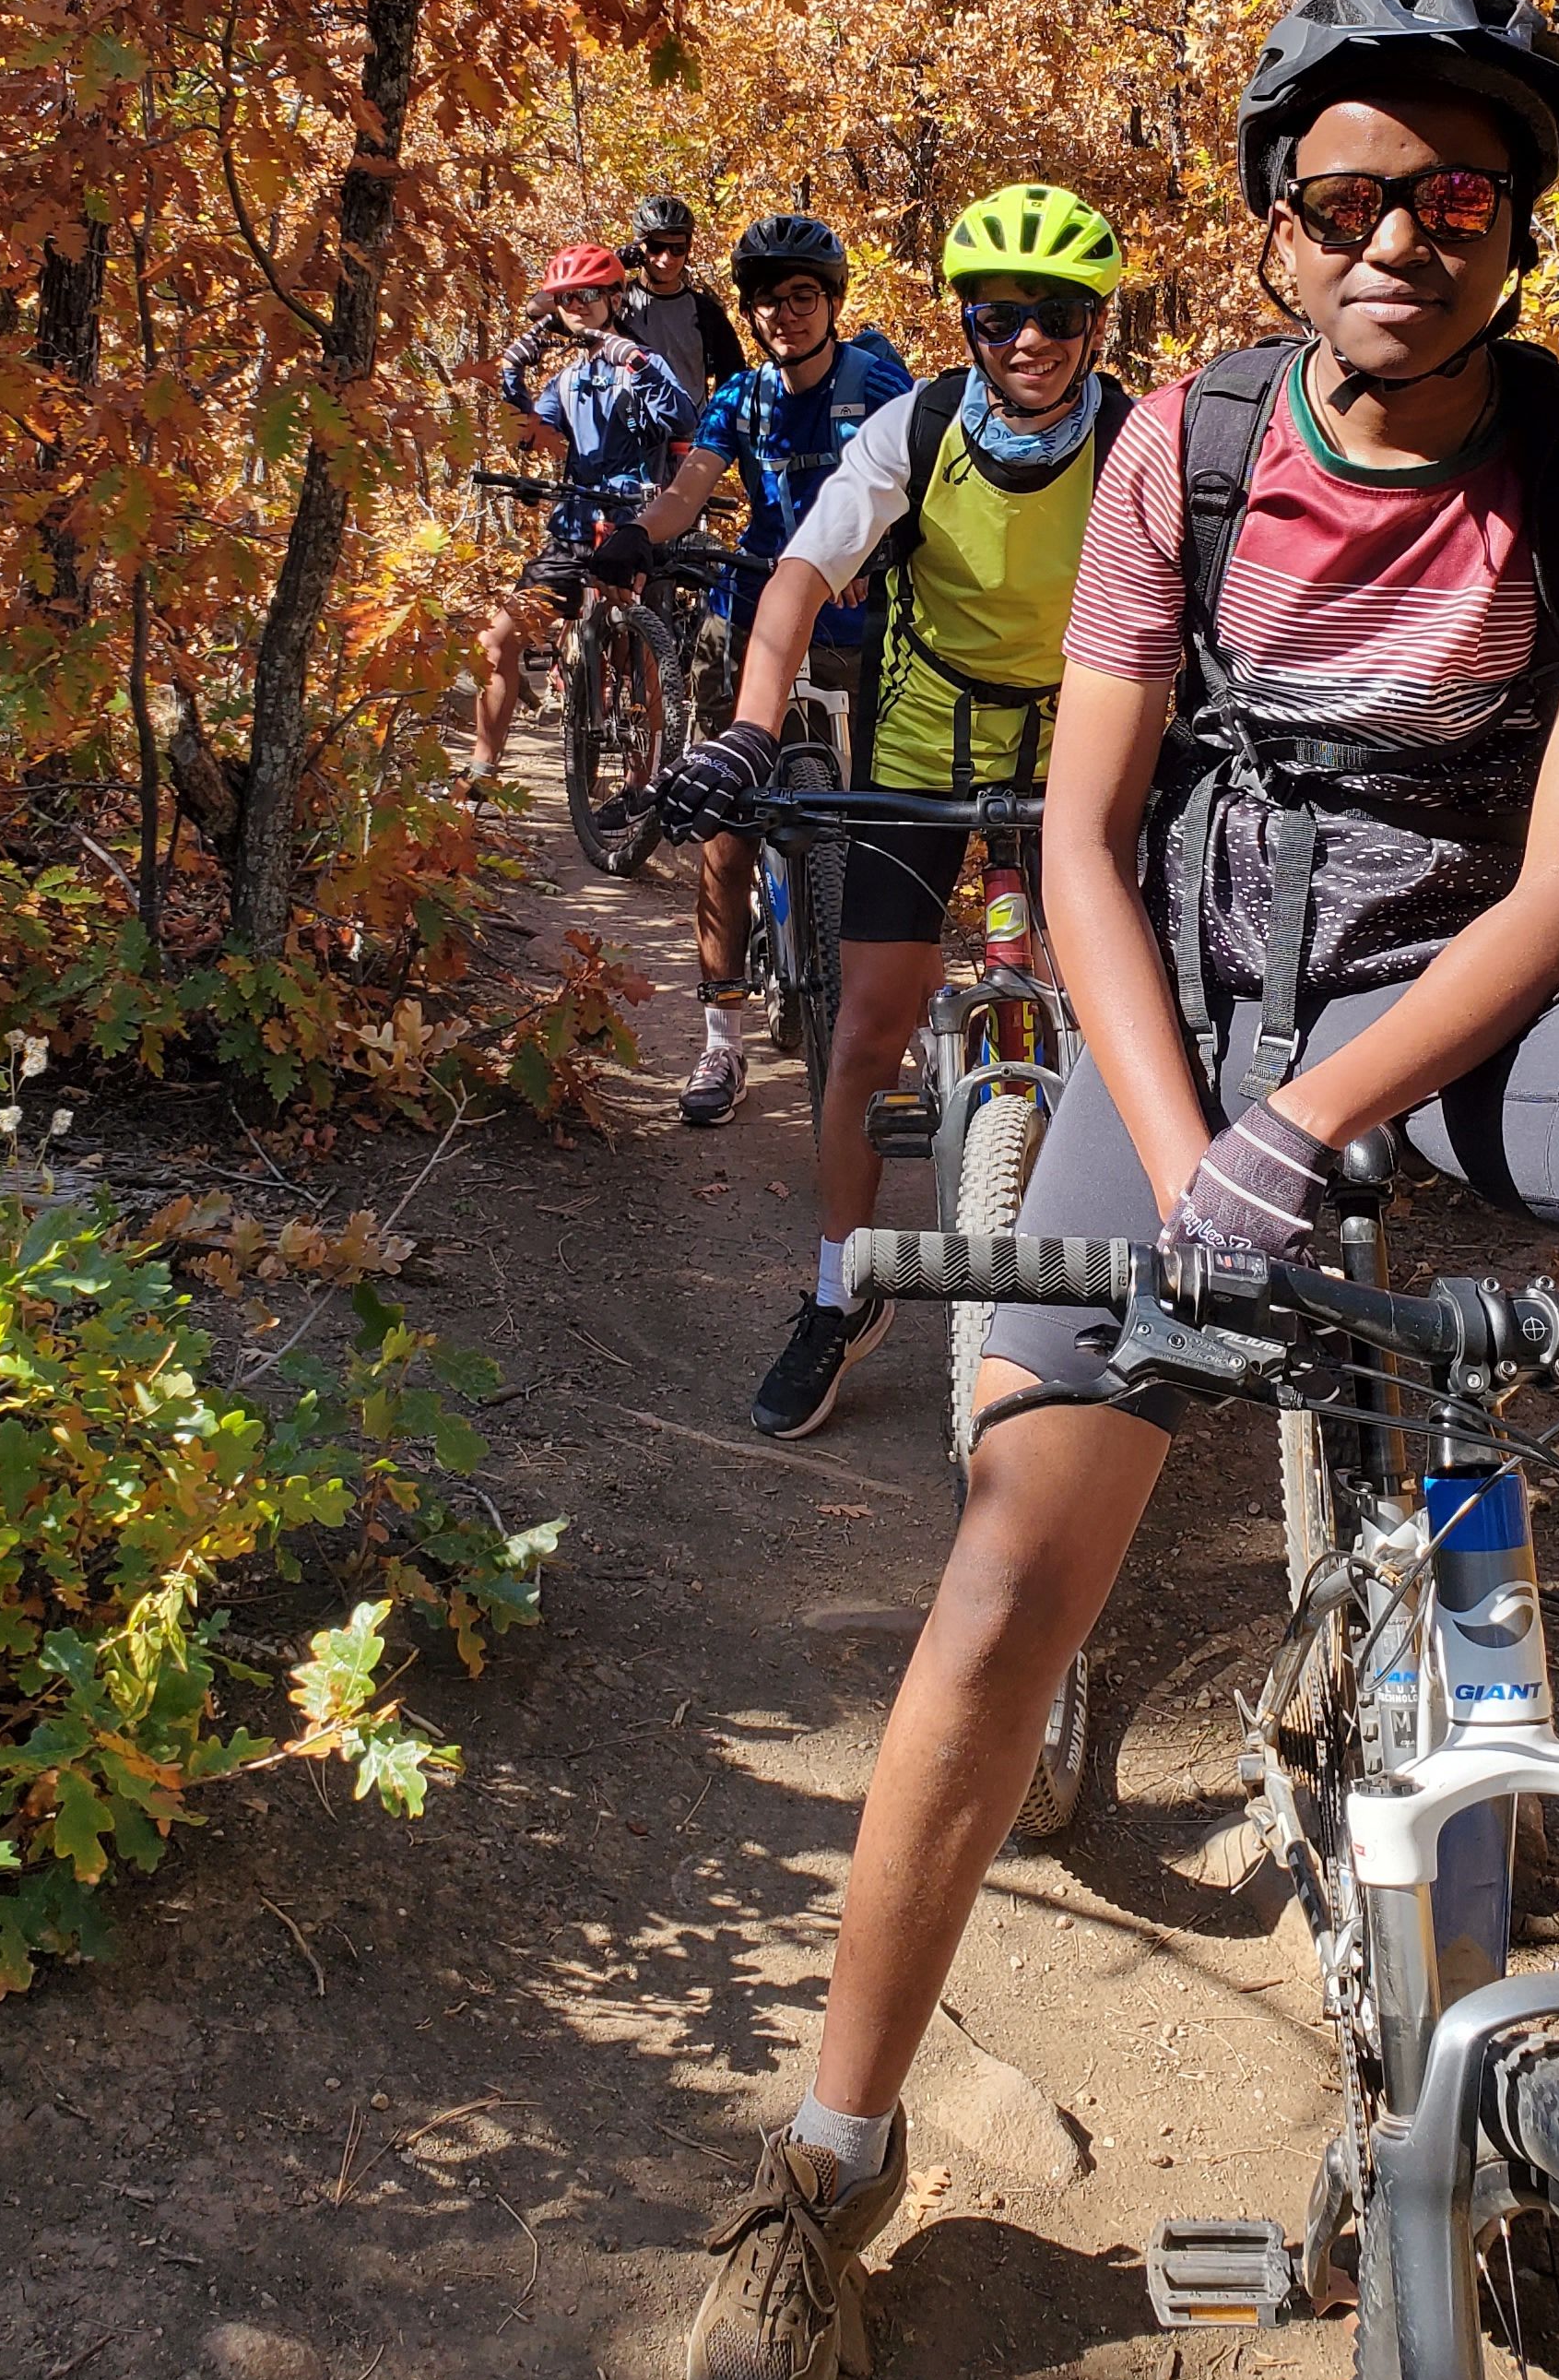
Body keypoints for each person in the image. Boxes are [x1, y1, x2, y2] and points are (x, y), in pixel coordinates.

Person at [679, 0, 1559, 2380]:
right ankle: (821, 2169)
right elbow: (1083, 829)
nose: (1397, 240)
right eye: (1343, 197)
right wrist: (1200, 1144)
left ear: (1515, 225)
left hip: (1470, 1031)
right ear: (1272, 231)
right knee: (1016, 1579)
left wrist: (1315, 1136)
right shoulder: (1186, 447)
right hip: (1203, 1032)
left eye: (1452, 196)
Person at [660, 183, 1131, 1440]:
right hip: (927, 740)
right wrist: (754, 729)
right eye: (994, 316)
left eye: (1055, 314)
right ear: (964, 321)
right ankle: (839, 1290)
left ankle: (1144, 1278)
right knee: (870, 1030)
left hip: (1081, 743)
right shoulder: (916, 430)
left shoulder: (1141, 443)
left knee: (1131, 1021)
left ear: (1095, 323)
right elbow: (804, 574)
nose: (1023, 339)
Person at [636, 217, 913, 1128]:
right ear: (749, 314)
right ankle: (722, 1043)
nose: (784, 315)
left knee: (882, 819)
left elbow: (920, 478)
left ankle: (878, 1018)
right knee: (727, 825)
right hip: (753, 613)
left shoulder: (878, 380)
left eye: (802, 297)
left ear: (832, 300)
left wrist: (896, 550)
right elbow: (689, 490)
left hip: (863, 624)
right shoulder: (742, 399)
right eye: (767, 301)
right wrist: (635, 539)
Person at [470, 243, 695, 787]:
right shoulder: (567, 380)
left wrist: (633, 362)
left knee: (640, 653)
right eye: (568, 297)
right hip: (573, 532)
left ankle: (646, 788)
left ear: (615, 297)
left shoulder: (644, 362)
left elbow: (686, 416)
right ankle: (479, 774)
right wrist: (510, 376)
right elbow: (529, 439)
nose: (579, 305)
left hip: (632, 527)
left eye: (591, 294)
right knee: (497, 641)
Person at [620, 194, 748, 423]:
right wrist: (609, 267)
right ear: (639, 246)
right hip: (626, 443)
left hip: (686, 445)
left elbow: (734, 381)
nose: (667, 258)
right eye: (657, 247)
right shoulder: (614, 301)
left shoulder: (706, 311)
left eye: (678, 248)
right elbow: (539, 308)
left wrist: (715, 435)